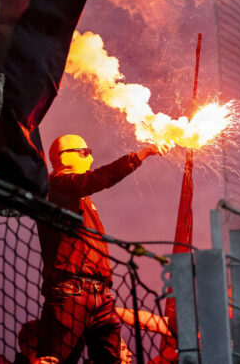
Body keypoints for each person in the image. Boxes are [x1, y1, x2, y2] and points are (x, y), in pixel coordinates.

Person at [34, 133, 168, 364]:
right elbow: (100, 178)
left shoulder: (79, 196)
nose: (90, 156)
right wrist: (141, 155)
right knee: (54, 360)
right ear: (63, 158)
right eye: (84, 152)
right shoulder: (56, 185)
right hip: (70, 293)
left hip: (101, 295)